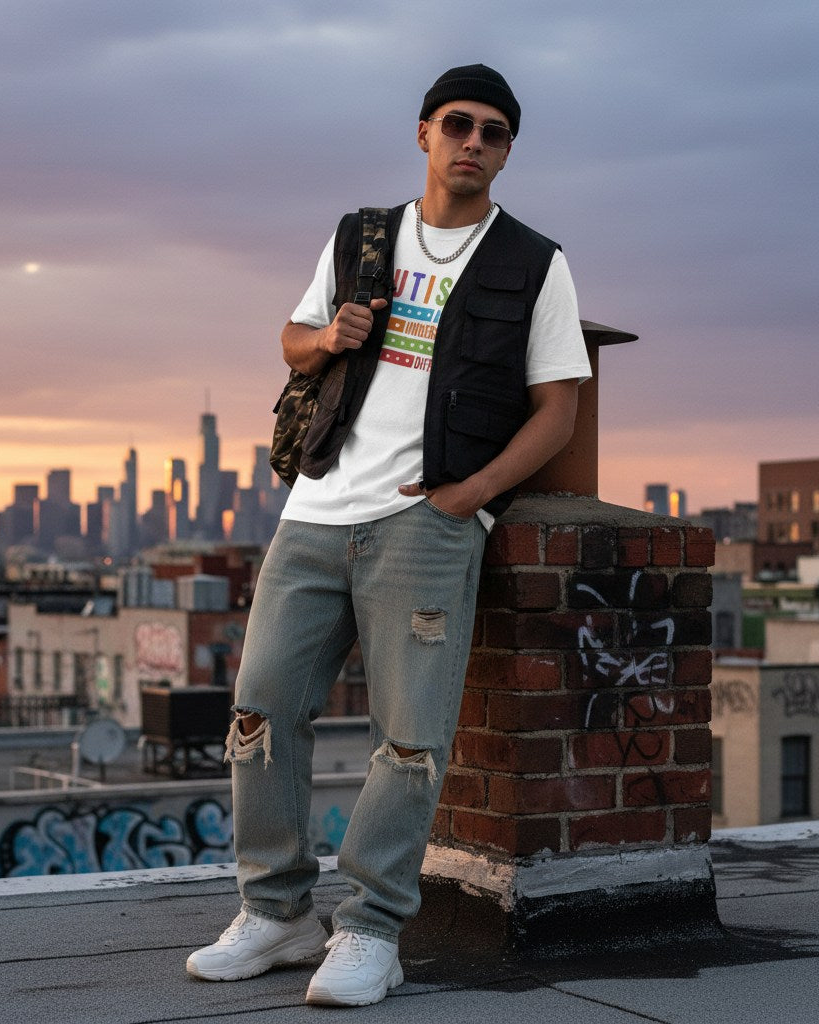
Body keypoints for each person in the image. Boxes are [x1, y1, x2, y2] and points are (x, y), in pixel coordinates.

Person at [187, 64, 591, 1007]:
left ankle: (369, 930)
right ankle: (278, 914)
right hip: (317, 511)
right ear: (423, 133)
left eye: (495, 132)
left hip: (426, 524)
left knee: (408, 742)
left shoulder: (535, 262)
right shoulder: (360, 236)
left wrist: (475, 496)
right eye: (458, 124)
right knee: (258, 715)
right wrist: (330, 336)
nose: (474, 143)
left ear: (505, 151)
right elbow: (291, 339)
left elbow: (558, 411)